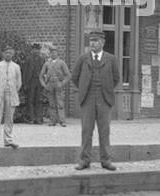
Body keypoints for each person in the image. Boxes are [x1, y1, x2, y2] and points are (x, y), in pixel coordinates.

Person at [70, 30, 120, 170]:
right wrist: (84, 89)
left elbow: (116, 78)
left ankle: (106, 160)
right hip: (88, 99)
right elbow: (75, 77)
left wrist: (106, 89)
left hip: (104, 99)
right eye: (91, 40)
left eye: (96, 41)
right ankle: (84, 160)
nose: (92, 43)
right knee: (86, 130)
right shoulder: (83, 58)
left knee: (104, 131)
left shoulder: (111, 59)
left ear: (102, 43)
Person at [0, 46, 22, 148]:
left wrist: (14, 91)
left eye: (10, 53)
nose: (8, 54)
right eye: (6, 52)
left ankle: (8, 140)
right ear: (3, 54)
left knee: (9, 118)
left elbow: (19, 82)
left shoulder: (16, 67)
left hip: (11, 94)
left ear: (13, 54)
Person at [40, 44, 70, 126]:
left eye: (55, 52)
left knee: (60, 103)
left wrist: (62, 83)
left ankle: (62, 121)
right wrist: (44, 85)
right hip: (50, 85)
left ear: (57, 54)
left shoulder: (62, 63)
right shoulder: (46, 64)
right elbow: (41, 76)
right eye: (52, 53)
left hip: (58, 85)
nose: (53, 54)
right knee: (52, 104)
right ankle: (53, 120)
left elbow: (68, 75)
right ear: (50, 54)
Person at [23, 41, 45, 124]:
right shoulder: (28, 59)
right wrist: (25, 83)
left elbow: (45, 71)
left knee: (39, 100)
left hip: (39, 81)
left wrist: (44, 82)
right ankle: (31, 118)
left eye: (38, 49)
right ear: (32, 50)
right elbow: (25, 72)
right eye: (35, 49)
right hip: (31, 81)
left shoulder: (42, 59)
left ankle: (38, 118)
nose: (36, 51)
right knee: (30, 100)